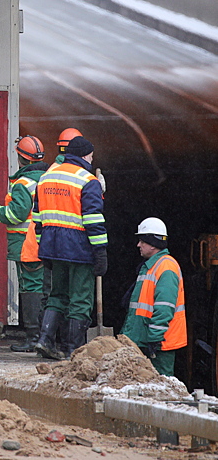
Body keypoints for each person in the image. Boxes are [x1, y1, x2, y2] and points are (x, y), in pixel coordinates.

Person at [33, 136, 108, 360]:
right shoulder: (87, 180)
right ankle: (72, 350)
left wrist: (42, 247)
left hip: (52, 247)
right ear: (85, 155)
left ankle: (45, 340)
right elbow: (94, 220)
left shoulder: (46, 178)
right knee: (80, 300)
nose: (92, 160)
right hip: (78, 248)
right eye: (92, 156)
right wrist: (100, 251)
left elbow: (38, 218)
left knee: (57, 295)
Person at [0, 136, 48, 352]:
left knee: (30, 288)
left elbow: (16, 214)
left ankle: (33, 337)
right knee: (46, 288)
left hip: (27, 245)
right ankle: (46, 336)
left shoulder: (23, 184)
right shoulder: (48, 178)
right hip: (47, 243)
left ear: (20, 157)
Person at [120, 217, 187, 377]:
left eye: (142, 241)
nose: (138, 245)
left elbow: (165, 307)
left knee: (162, 390)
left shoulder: (166, 267)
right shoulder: (151, 266)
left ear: (152, 243)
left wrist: (154, 340)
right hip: (149, 342)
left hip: (160, 345)